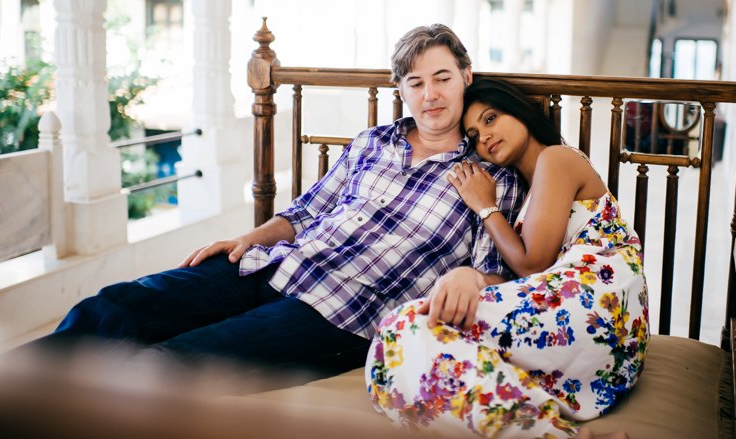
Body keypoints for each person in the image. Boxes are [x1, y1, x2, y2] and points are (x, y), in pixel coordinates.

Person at [29, 25, 523, 387]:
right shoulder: (374, 141)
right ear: (401, 90)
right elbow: (306, 211)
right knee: (115, 308)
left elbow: (502, 271)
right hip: (278, 265)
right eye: (416, 82)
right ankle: (3, 391)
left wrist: (472, 278)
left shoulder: (493, 176)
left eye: (442, 78)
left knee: (171, 362)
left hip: (343, 312)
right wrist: (250, 239)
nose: (430, 94)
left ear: (465, 76)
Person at [366, 78, 649, 437]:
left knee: (405, 326)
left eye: (491, 118)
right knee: (400, 356)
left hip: (597, 302)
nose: (483, 136)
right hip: (599, 328)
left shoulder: (557, 158)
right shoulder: (529, 193)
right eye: (472, 134)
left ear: (519, 112)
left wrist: (485, 206)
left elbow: (532, 264)